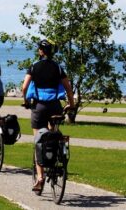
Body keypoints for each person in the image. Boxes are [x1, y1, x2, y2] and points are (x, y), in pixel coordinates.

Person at [21, 39, 75, 192]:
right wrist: (71, 104)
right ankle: (57, 157)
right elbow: (68, 89)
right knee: (53, 134)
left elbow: (25, 86)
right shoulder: (58, 67)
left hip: (39, 106)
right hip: (55, 106)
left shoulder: (34, 67)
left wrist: (26, 101)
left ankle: (40, 177)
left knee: (39, 140)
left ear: (40, 51)